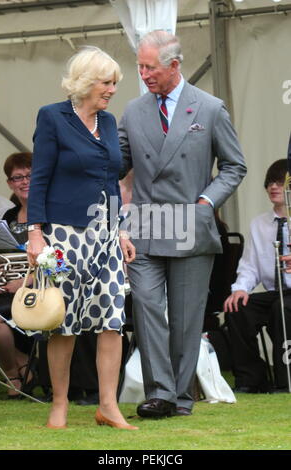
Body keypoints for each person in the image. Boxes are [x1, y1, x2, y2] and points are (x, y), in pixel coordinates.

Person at [118, 30, 246, 418]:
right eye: (139, 66)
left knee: (187, 318)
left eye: (149, 67)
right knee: (146, 307)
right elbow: (113, 166)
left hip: (191, 227)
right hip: (144, 229)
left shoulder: (209, 108)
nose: (143, 74)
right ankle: (159, 392)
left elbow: (234, 166)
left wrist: (205, 203)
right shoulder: (133, 111)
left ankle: (181, 397)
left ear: (174, 65)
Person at [26, 46, 137, 430]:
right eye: (107, 82)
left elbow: (111, 180)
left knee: (112, 318)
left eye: (113, 83)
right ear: (87, 82)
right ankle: (59, 403)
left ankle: (108, 405)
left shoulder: (107, 122)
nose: (112, 90)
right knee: (62, 321)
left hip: (104, 236)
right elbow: (39, 179)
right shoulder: (52, 117)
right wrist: (34, 234)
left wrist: (120, 229)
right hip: (61, 236)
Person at [224, 159, 291, 393]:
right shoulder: (259, 224)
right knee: (237, 308)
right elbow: (250, 265)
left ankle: (285, 379)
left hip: (286, 298)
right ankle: (251, 379)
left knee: (281, 308)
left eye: (280, 182)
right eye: (270, 182)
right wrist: (240, 289)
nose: (273, 186)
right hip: (276, 292)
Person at [0, 152, 36, 398]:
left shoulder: (52, 216)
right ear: (9, 183)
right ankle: (20, 363)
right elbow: (0, 257)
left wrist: (24, 282)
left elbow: (58, 261)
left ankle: (12, 371)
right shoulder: (7, 218)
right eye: (17, 177)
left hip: (38, 292)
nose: (24, 181)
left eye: (30, 175)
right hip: (7, 291)